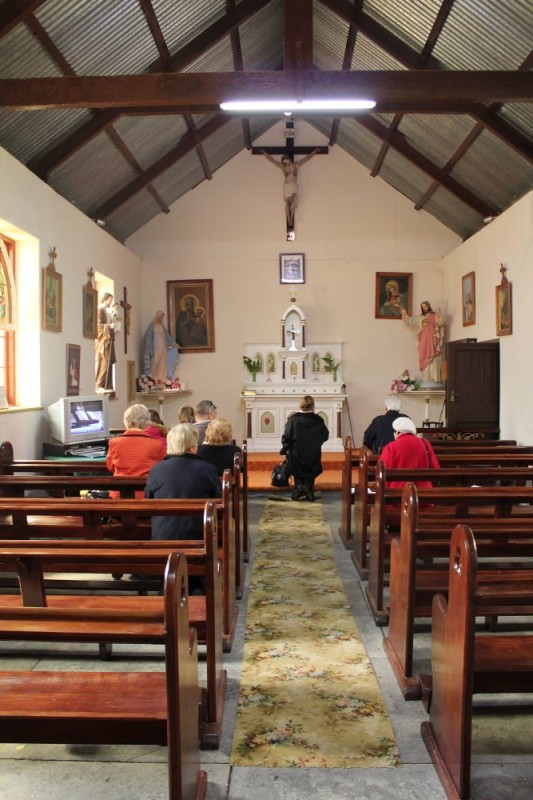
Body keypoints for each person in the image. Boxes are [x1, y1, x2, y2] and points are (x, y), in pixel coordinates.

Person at [145, 423, 221, 541]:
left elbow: (148, 499)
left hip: (163, 535)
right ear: (191, 447)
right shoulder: (206, 469)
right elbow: (218, 500)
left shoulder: (156, 469)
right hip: (198, 536)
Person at [106, 403, 166, 497]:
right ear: (146, 422)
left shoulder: (114, 443)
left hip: (119, 494)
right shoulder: (157, 445)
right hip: (146, 494)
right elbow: (162, 469)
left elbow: (111, 467)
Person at [280, 394, 329, 502]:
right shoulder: (318, 420)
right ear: (312, 405)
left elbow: (287, 436)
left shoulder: (293, 419)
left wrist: (284, 449)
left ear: (301, 405)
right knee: (311, 468)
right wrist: (316, 443)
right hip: (313, 453)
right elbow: (325, 435)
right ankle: (308, 488)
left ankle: (299, 488)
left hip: (296, 453)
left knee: (296, 466)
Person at [261, 148, 320, 230]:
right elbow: (272, 161)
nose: (285, 163)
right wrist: (265, 153)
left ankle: (291, 217)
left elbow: (306, 158)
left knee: (292, 203)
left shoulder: (296, 165)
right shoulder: (283, 167)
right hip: (287, 186)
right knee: (287, 203)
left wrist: (314, 152)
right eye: (284, 162)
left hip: (293, 186)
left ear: (288, 159)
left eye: (286, 160)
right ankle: (288, 217)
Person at [380, 416, 440, 489]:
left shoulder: (390, 447)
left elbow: (381, 472)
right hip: (423, 493)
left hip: (396, 494)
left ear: (397, 432)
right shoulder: (425, 444)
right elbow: (436, 469)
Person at [401, 301, 444, 386]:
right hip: (424, 342)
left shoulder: (434, 316)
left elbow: (440, 323)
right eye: (423, 307)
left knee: (433, 359)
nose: (425, 308)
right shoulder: (419, 318)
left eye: (426, 306)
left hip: (433, 341)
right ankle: (426, 378)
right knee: (423, 357)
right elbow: (410, 320)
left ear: (429, 306)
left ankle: (434, 379)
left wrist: (439, 316)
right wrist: (404, 314)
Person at [142, 310, 179, 387]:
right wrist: (149, 347)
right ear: (157, 317)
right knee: (155, 361)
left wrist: (174, 344)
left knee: (162, 362)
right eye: (160, 317)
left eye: (162, 317)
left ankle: (161, 379)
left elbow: (168, 337)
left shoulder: (162, 326)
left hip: (163, 346)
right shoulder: (152, 326)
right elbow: (148, 337)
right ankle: (153, 377)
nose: (161, 319)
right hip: (155, 345)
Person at [95, 292, 116, 392]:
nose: (111, 302)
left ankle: (106, 384)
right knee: (104, 361)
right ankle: (99, 384)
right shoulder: (99, 310)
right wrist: (109, 327)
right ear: (105, 299)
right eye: (110, 299)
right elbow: (98, 326)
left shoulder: (107, 312)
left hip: (108, 339)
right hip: (103, 341)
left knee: (109, 362)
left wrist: (113, 326)